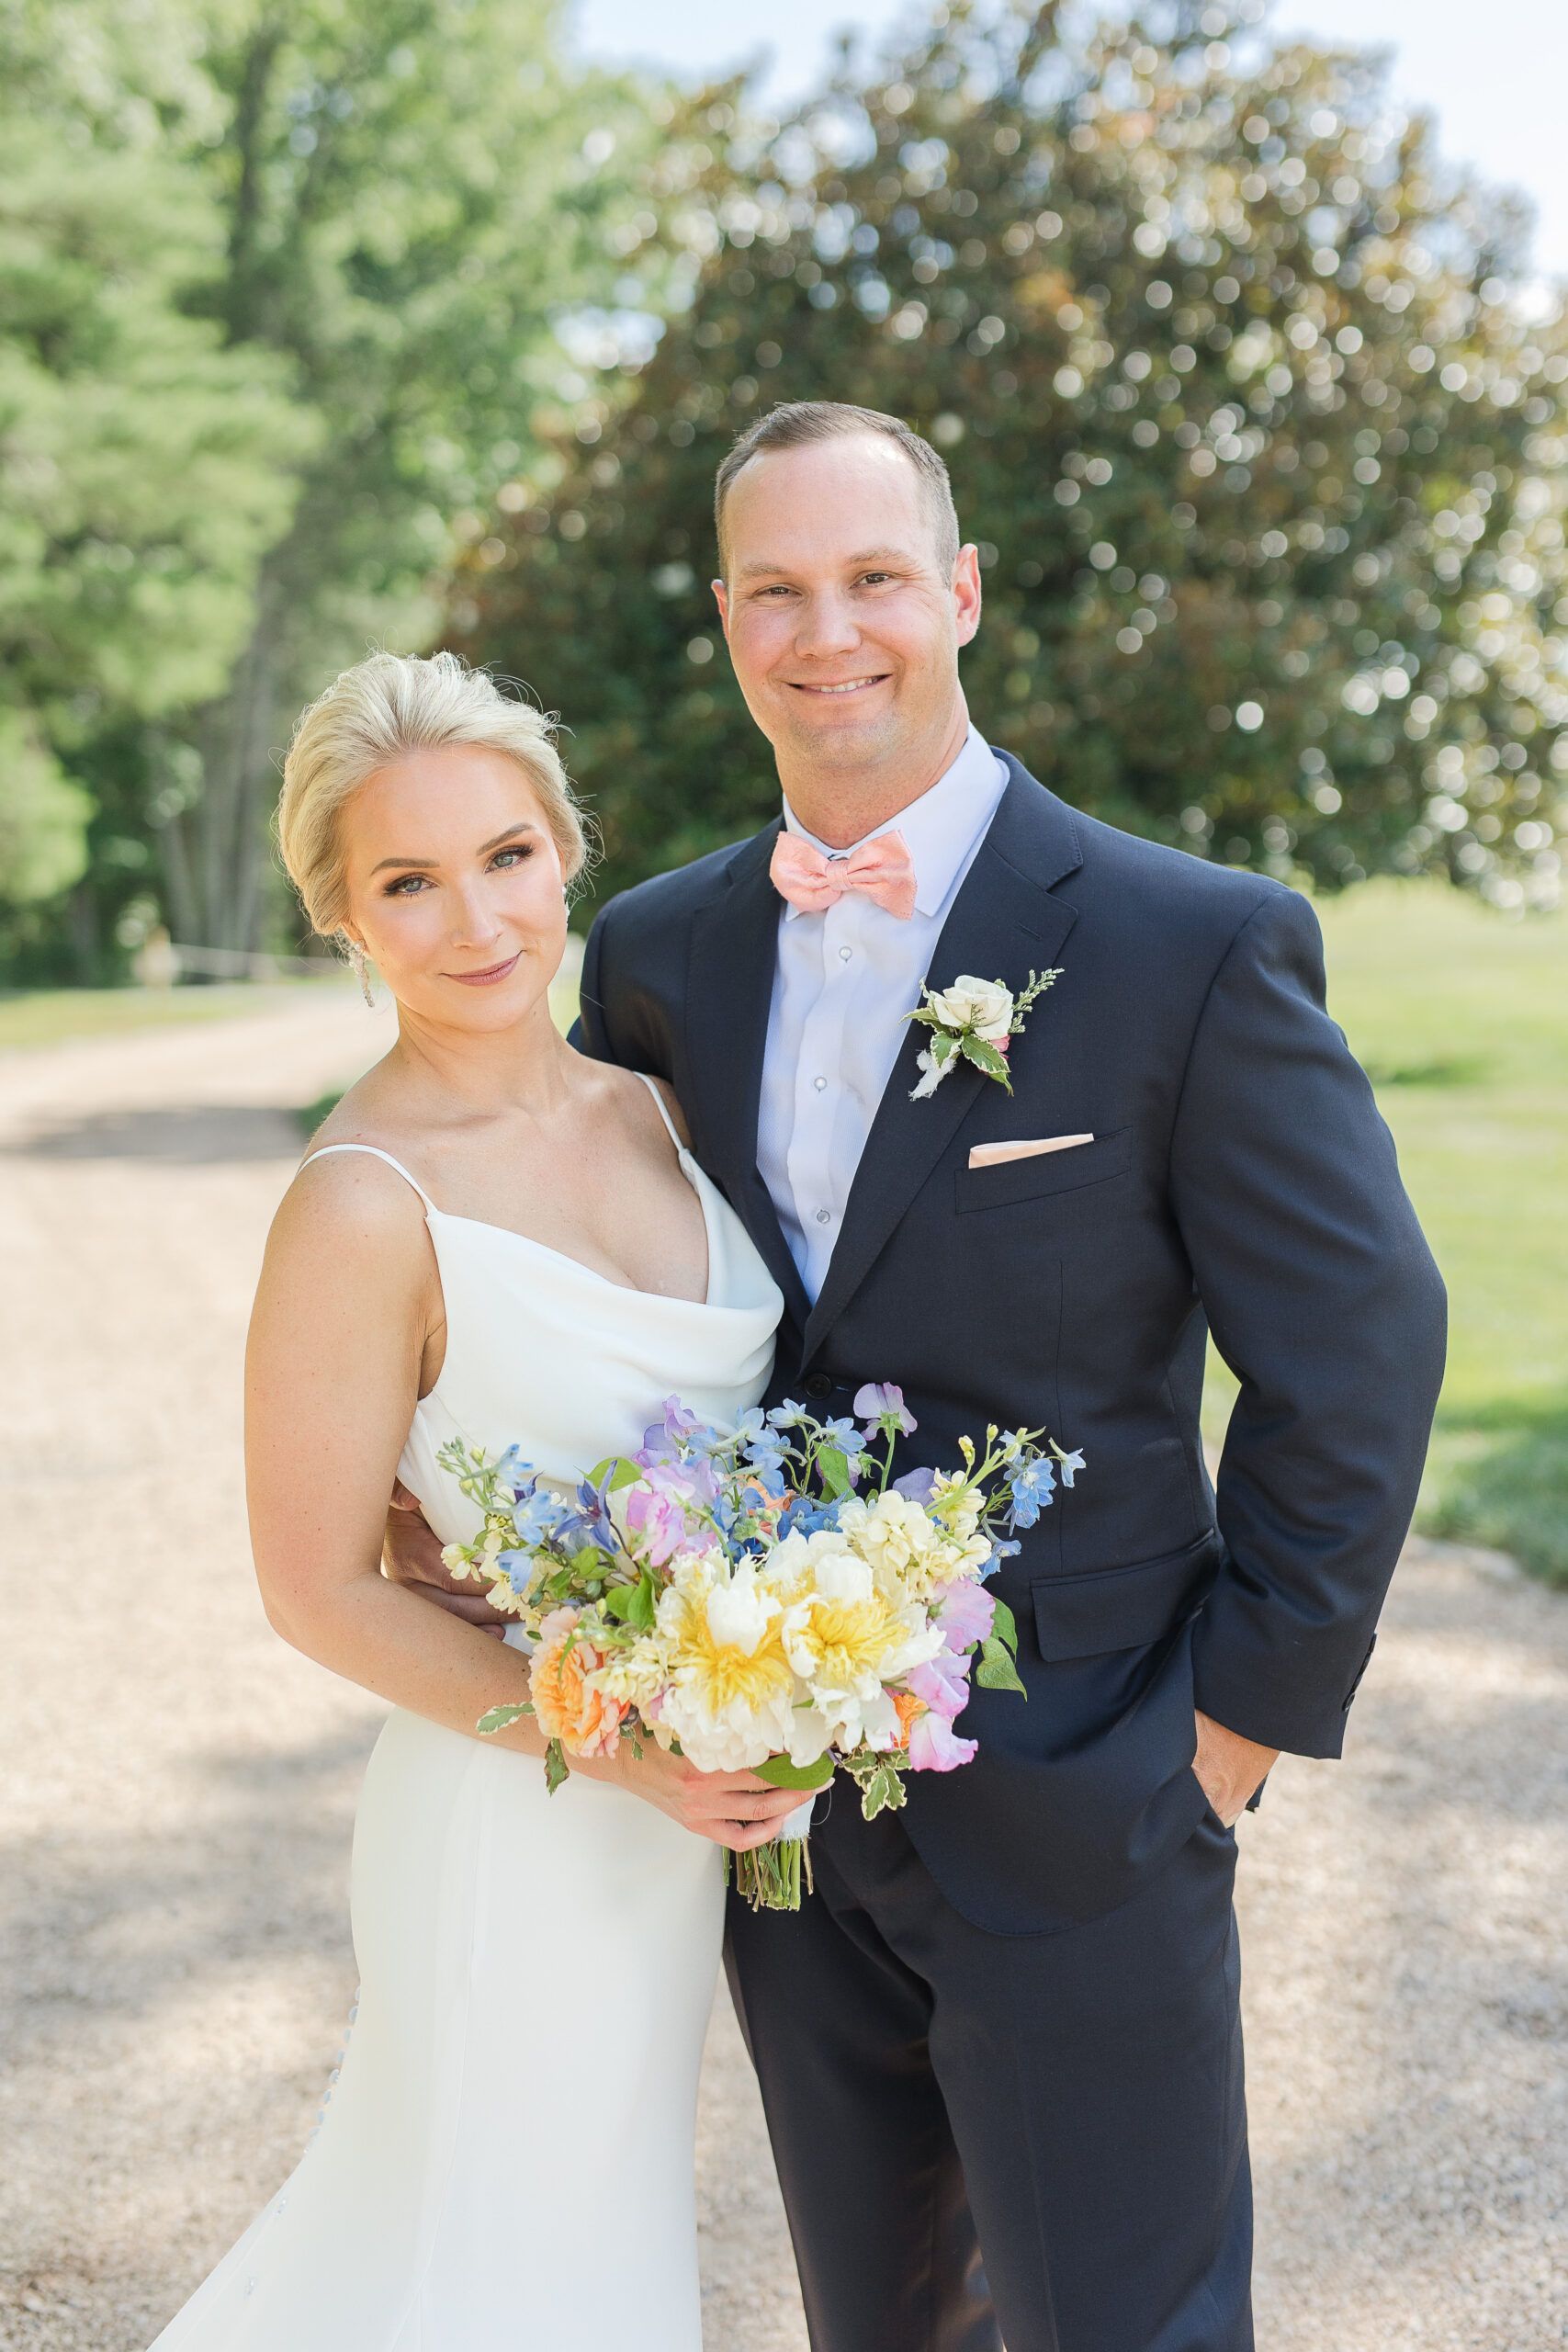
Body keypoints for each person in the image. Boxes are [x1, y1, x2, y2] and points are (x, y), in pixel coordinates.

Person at [390, 401, 1448, 2350]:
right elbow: (572, 1274)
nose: (828, 632)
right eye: (777, 589)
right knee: (875, 2327)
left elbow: (1358, 1342)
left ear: (953, 592)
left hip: (1089, 1785)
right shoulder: (652, 957)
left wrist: (1226, 1733)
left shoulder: (1182, 944)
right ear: (725, 620)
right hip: (776, 1812)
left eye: (873, 577)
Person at [147, 650, 793, 2350]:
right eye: (407, 884)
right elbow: (319, 1587)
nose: (475, 920)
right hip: (523, 1818)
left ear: (566, 847)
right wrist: (626, 1747)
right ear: (343, 922)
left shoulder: (670, 1109)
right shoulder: (363, 1205)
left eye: (505, 855)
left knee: (574, 2242)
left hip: (682, 1820)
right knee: (487, 2264)